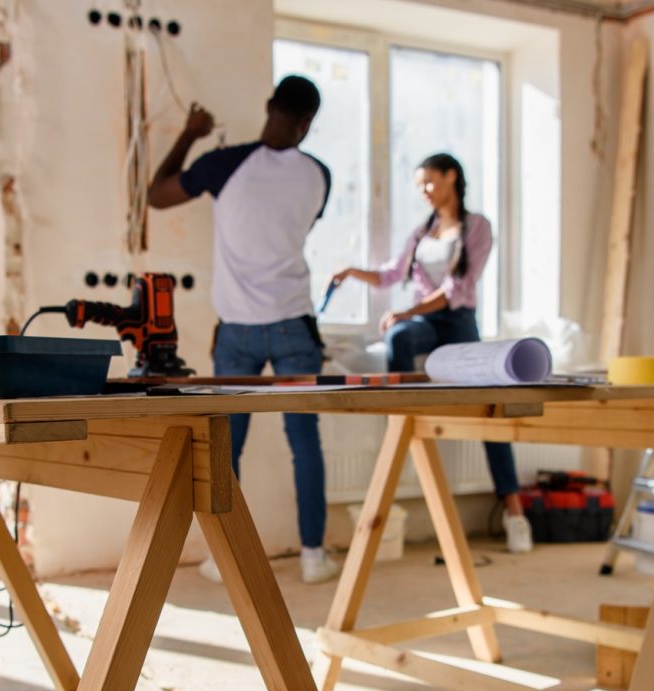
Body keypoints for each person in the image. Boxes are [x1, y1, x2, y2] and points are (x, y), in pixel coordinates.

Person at [148, 76, 341, 584]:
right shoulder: (320, 175)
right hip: (294, 324)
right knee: (305, 441)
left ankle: (220, 555)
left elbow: (157, 196)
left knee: (227, 444)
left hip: (237, 328)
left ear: (268, 105)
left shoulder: (225, 164)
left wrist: (191, 133)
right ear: (307, 124)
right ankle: (314, 555)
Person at [331, 152, 532, 553]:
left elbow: (457, 291)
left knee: (491, 409)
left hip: (458, 322)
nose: (423, 191)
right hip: (424, 324)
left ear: (450, 177)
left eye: (428, 182)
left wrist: (406, 310)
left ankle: (514, 512)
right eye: (419, 184)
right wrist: (353, 272)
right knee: (399, 339)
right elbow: (391, 273)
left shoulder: (477, 228)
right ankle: (407, 415)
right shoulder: (422, 233)